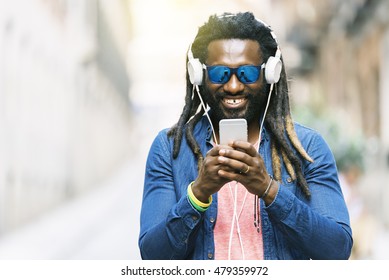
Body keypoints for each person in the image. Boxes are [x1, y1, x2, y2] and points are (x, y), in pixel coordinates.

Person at [139, 12, 352, 260]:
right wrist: (198, 194)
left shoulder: (307, 147)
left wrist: (268, 189)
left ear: (269, 74)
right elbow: (153, 257)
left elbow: (337, 250)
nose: (233, 86)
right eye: (220, 74)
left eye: (247, 74)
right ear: (199, 76)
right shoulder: (169, 150)